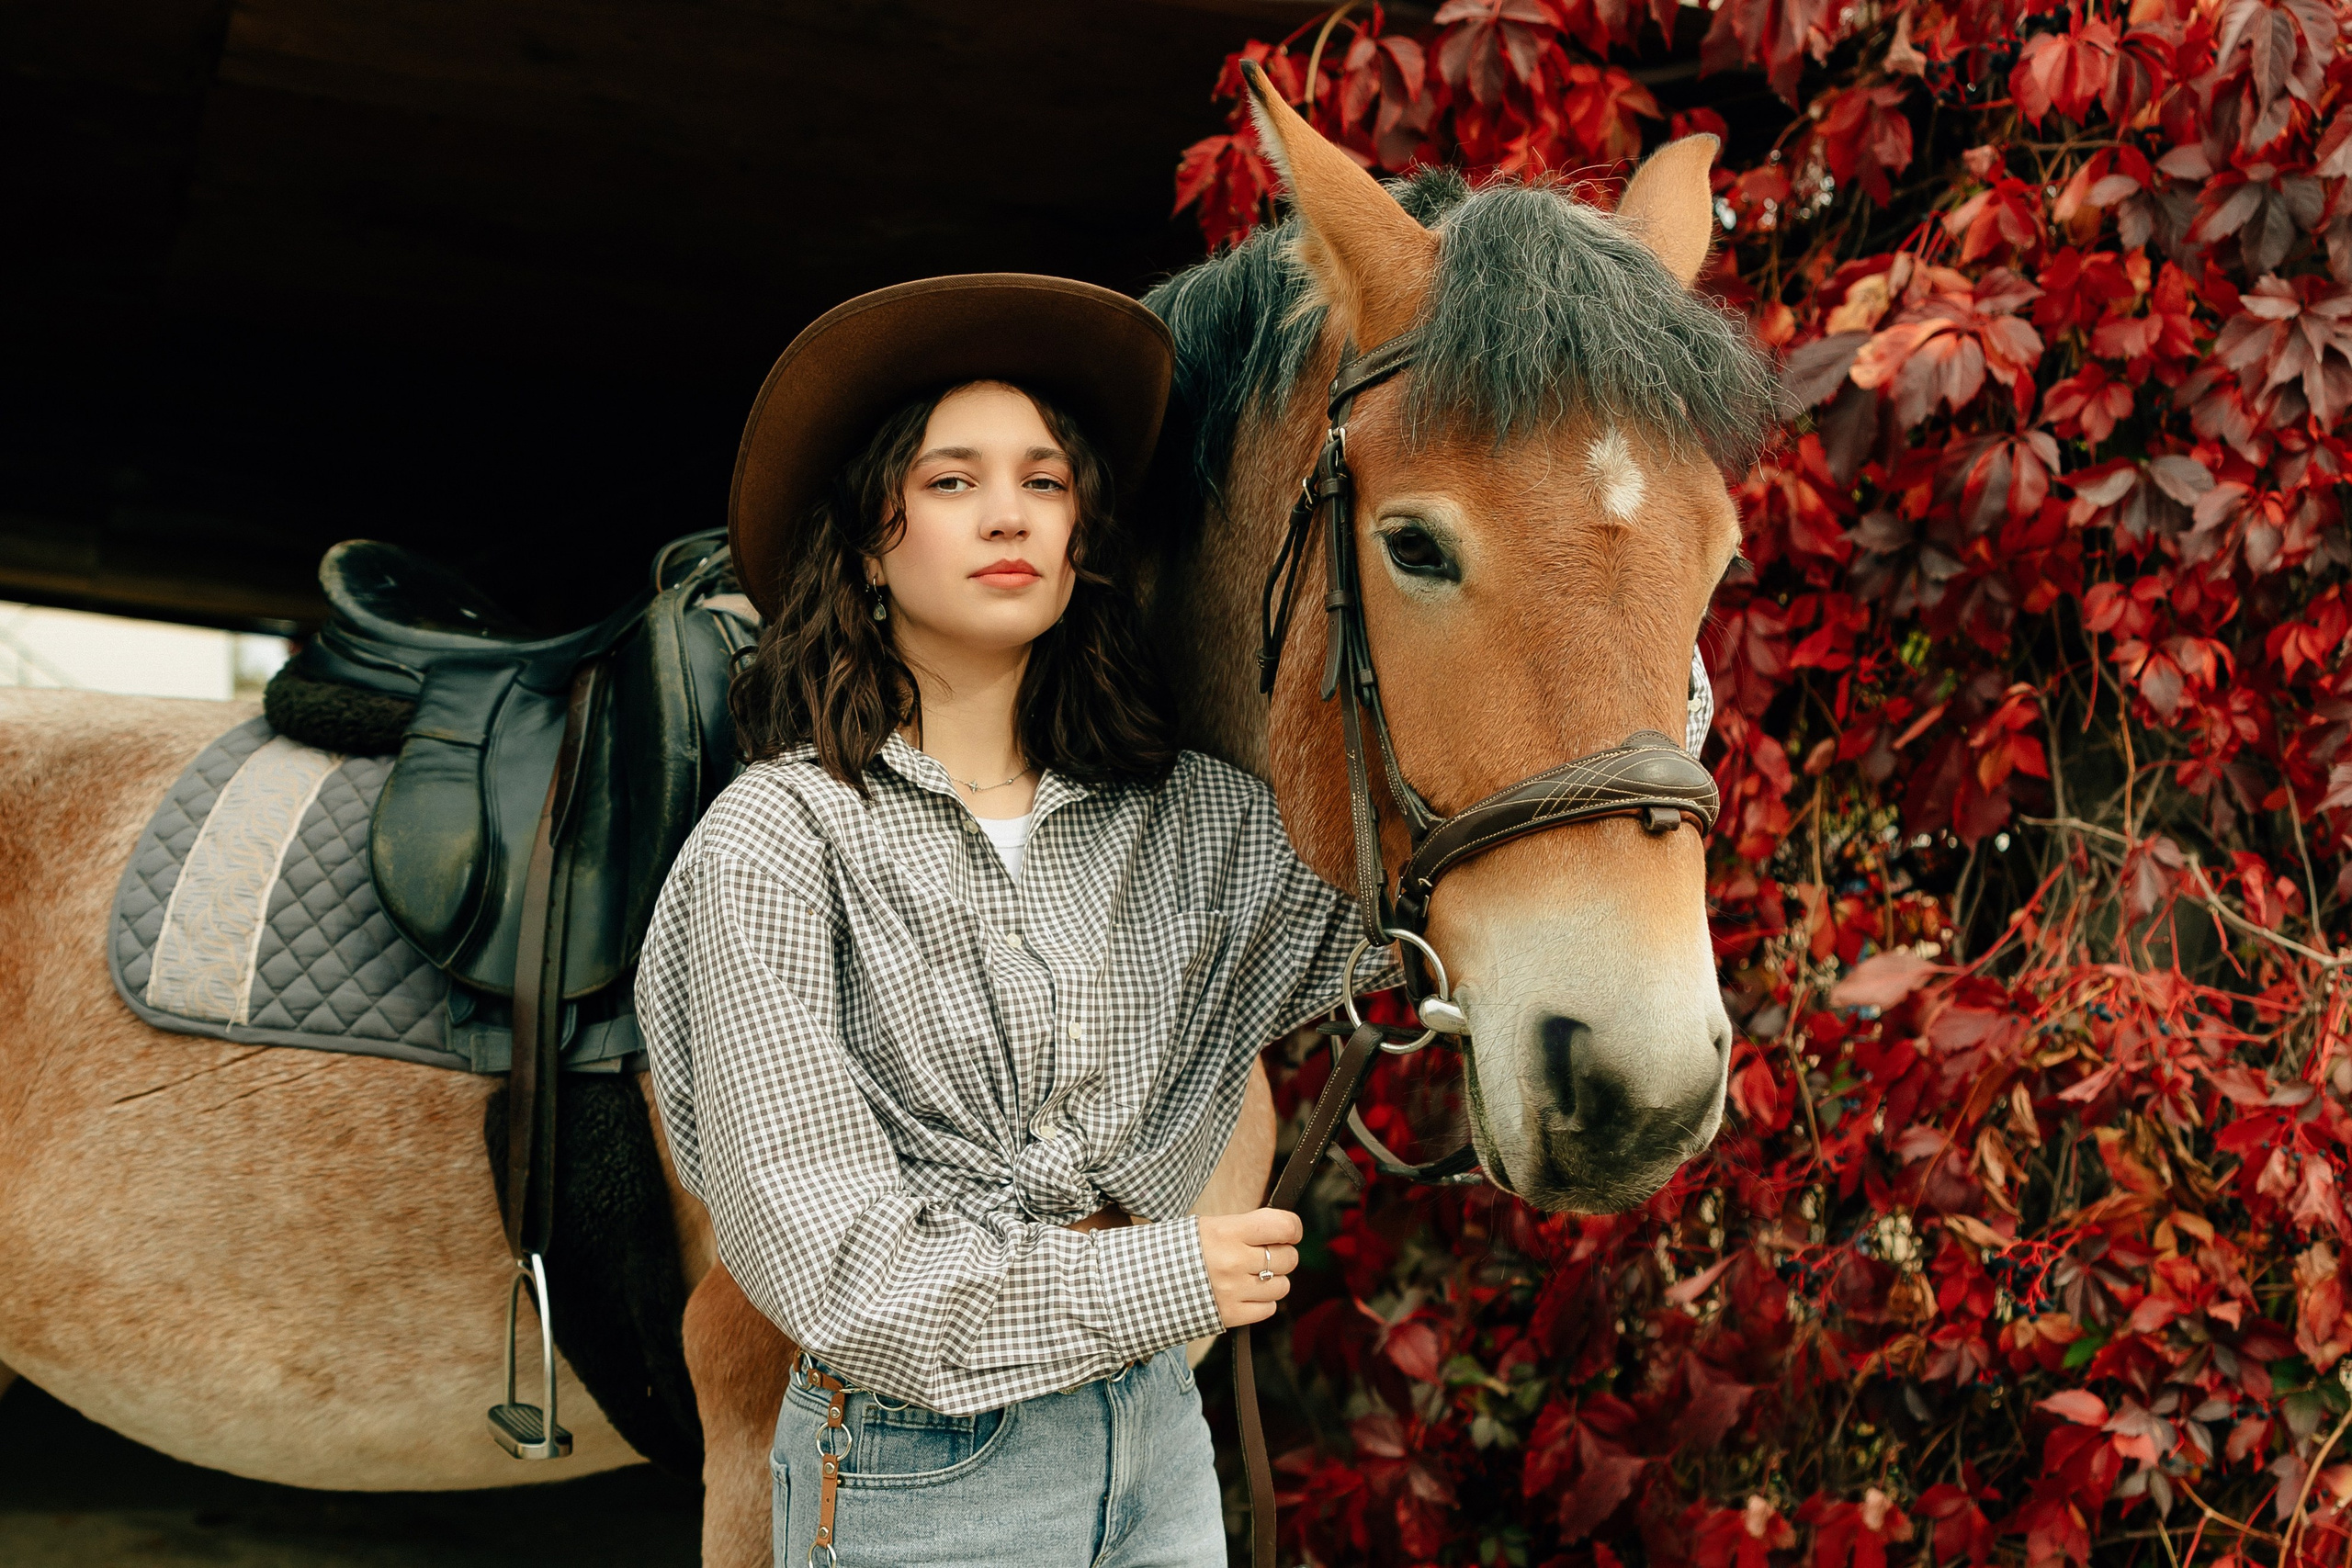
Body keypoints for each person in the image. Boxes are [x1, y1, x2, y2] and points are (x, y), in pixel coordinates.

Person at [636, 274, 1390, 1568]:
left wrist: (1572, 525)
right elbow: (838, 1273)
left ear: (1085, 535)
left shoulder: (1201, 825)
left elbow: (1435, 866)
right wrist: (1166, 1280)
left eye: (1045, 482)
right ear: (869, 540)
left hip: (1158, 1444)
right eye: (950, 480)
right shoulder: (773, 845)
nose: (1010, 515)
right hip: (918, 1465)